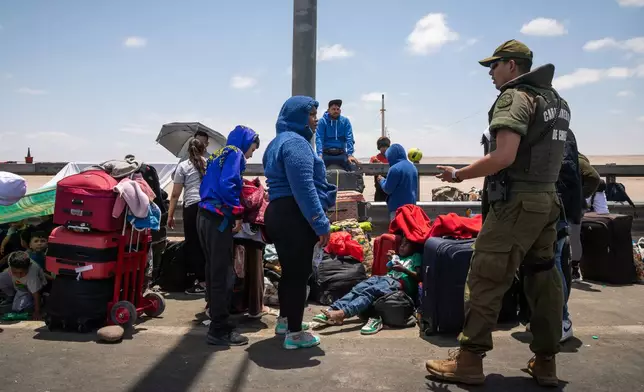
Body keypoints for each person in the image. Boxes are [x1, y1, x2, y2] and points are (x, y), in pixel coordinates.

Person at [426, 39, 570, 387]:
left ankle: (470, 360)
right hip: (546, 202)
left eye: (494, 65)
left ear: (512, 65)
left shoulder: (515, 97)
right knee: (543, 279)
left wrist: (458, 174)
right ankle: (546, 362)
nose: (490, 73)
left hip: (517, 205)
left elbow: (504, 156)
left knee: (486, 277)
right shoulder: (557, 101)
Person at [263, 95, 337, 350]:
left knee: (289, 273)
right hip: (295, 214)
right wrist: (321, 223)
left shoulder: (276, 142)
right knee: (298, 275)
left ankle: (285, 321)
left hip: (278, 212)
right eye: (312, 115)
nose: (316, 120)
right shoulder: (296, 143)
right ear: (298, 116)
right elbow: (304, 188)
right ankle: (294, 334)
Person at [197, 125, 260, 346]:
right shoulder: (235, 153)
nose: (250, 154)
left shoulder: (218, 154)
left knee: (213, 271)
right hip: (218, 219)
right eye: (252, 148)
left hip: (203, 215)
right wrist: (237, 213)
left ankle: (216, 319)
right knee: (223, 276)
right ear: (246, 142)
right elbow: (229, 184)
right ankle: (219, 329)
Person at [311, 236, 422, 335]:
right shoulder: (399, 257)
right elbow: (389, 270)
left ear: (413, 247)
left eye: (406, 244)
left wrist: (404, 269)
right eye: (401, 244)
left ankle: (342, 314)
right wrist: (391, 260)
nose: (402, 246)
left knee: (371, 291)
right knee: (359, 288)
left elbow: (419, 276)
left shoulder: (416, 257)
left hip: (399, 282)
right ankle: (334, 308)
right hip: (385, 278)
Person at [553, 129, 583, 343]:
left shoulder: (556, 134)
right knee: (557, 261)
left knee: (554, 262)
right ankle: (554, 318)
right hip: (564, 208)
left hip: (557, 209)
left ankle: (561, 319)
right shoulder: (565, 133)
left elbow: (566, 170)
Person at [168, 138, 208, 296]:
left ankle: (201, 282)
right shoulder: (208, 164)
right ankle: (210, 280)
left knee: (194, 245)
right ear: (203, 150)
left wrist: (170, 216)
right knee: (206, 244)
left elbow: (175, 194)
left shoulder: (183, 166)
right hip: (208, 207)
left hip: (192, 207)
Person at [572, 152, 601, 282]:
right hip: (576, 204)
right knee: (574, 236)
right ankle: (574, 270)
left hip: (572, 204)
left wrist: (579, 195)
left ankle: (573, 270)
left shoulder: (576, 160)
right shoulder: (579, 159)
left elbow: (594, 177)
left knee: (571, 236)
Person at [375, 144, 418, 221]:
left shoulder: (394, 169)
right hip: (412, 207)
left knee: (397, 231)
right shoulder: (413, 167)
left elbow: (387, 189)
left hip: (398, 209)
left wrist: (381, 180)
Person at [0, 251, 47, 320]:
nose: (19, 275)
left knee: (17, 308)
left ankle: (41, 300)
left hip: (31, 288)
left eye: (21, 273)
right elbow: (10, 254)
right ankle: (11, 295)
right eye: (15, 272)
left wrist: (37, 311)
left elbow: (36, 294)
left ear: (28, 267)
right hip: (19, 284)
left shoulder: (32, 275)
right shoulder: (13, 259)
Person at [315, 99, 358, 171]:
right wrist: (319, 154)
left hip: (341, 154)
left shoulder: (345, 121)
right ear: (328, 110)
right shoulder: (322, 121)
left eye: (338, 109)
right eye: (333, 109)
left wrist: (350, 154)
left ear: (340, 111)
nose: (336, 111)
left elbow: (349, 138)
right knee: (316, 169)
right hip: (326, 154)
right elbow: (319, 138)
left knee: (354, 168)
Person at [370, 137, 391, 202]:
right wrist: (375, 164)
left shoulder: (391, 157)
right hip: (379, 189)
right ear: (379, 147)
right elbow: (369, 169)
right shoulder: (375, 158)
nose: (384, 149)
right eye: (382, 147)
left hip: (390, 188)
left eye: (386, 147)